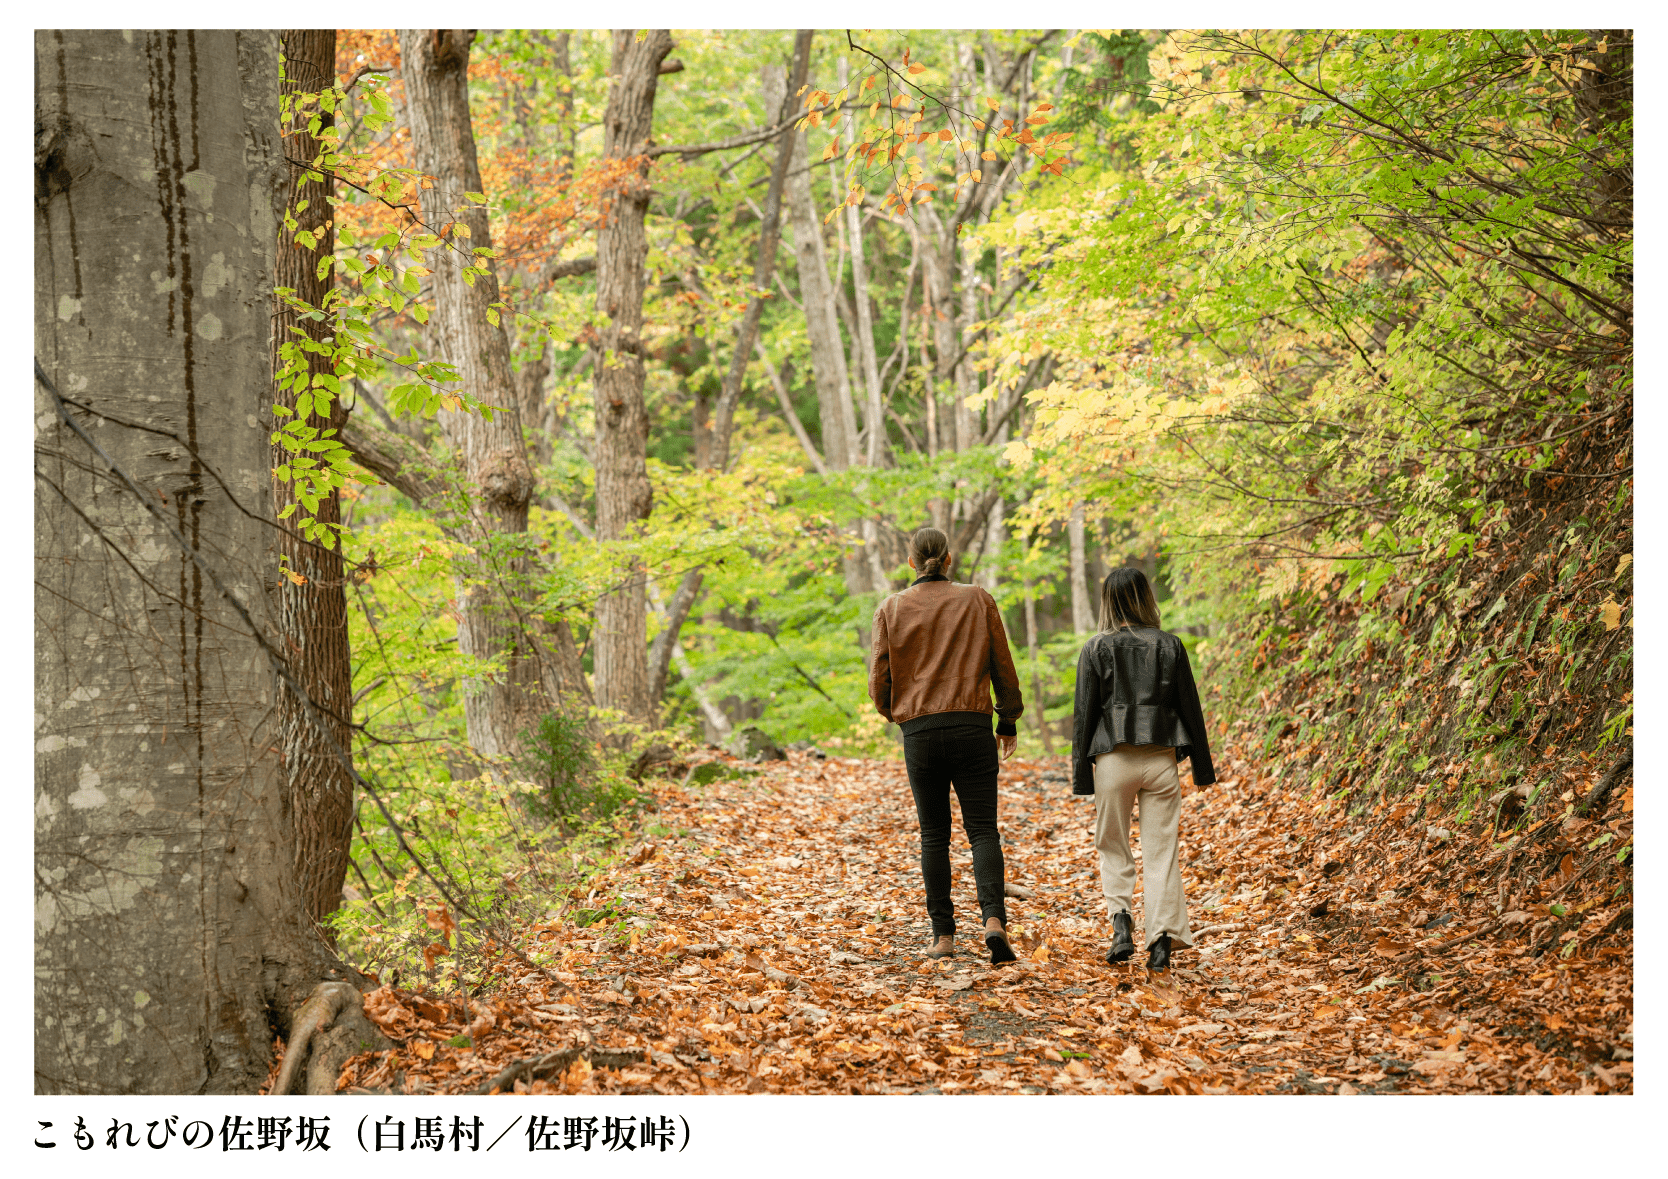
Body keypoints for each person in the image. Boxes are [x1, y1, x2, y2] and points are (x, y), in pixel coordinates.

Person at [869, 527, 1025, 965]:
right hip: (973, 726)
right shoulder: (978, 599)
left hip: (920, 732)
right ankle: (994, 921)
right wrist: (1007, 719)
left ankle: (943, 936)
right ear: (949, 560)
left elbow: (878, 682)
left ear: (911, 563)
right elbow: (1002, 663)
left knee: (933, 835)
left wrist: (900, 716)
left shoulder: (891, 607)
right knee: (982, 831)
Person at [1070, 566, 1216, 971]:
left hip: (1113, 761)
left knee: (1112, 845)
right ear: (1145, 598)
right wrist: (1202, 770)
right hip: (1160, 761)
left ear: (1108, 601)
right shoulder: (1171, 645)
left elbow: (1084, 716)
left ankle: (1121, 925)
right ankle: (1162, 941)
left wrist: (1083, 777)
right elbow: (1191, 709)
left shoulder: (1096, 648)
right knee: (1161, 852)